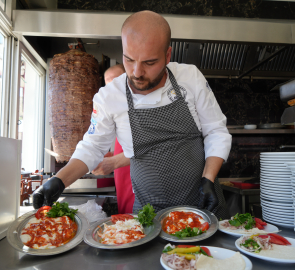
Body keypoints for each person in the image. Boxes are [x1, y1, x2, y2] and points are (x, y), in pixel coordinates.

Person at [33, 10, 232, 219]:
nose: (137, 72)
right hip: (149, 215)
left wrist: (209, 179)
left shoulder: (190, 78)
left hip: (203, 207)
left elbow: (216, 131)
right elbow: (92, 147)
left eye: (149, 62)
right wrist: (59, 180)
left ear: (167, 55)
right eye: (129, 59)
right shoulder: (109, 97)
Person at [92, 64, 135, 214]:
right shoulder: (115, 111)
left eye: (116, 80)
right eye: (107, 82)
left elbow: (148, 148)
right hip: (121, 176)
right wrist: (112, 156)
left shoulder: (137, 107)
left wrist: (113, 162)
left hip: (137, 177)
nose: (112, 87)